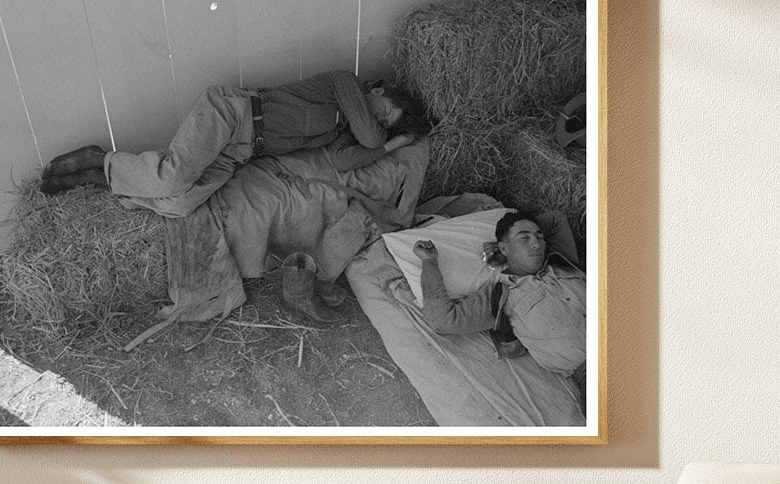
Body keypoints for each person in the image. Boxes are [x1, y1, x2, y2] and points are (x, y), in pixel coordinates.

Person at [38, 71, 423, 217]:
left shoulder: (342, 132)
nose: (379, 123)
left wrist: (393, 146)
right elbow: (370, 137)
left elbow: (344, 162)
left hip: (239, 152)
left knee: (181, 203)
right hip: (232, 114)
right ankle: (97, 159)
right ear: (378, 90)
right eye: (384, 112)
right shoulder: (346, 84)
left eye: (386, 124)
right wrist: (384, 137)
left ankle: (105, 180)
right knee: (172, 178)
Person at [411, 210, 587, 389]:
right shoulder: (500, 296)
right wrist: (429, 262)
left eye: (540, 237)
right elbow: (444, 320)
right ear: (503, 247)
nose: (537, 244)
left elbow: (554, 219)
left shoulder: (561, 260)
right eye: (524, 238)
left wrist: (509, 248)